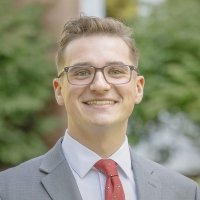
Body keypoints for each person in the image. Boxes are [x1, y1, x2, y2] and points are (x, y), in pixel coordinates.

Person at [0, 16, 199, 200]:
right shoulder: (7, 190)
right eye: (82, 72)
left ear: (138, 88)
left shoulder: (184, 193)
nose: (100, 85)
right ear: (59, 90)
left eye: (115, 71)